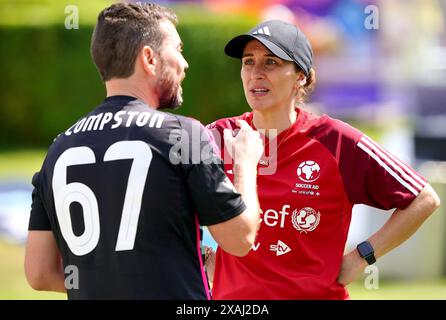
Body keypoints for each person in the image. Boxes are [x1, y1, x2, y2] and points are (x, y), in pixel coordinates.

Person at [24, 2, 263, 300]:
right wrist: (246, 164)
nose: (184, 63)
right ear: (149, 58)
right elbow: (240, 238)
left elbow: (39, 272)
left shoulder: (58, 148)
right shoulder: (184, 134)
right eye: (177, 48)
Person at [205, 20, 441, 299]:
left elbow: (423, 198)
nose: (256, 72)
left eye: (270, 62)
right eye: (248, 61)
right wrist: (200, 253)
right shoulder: (218, 136)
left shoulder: (336, 140)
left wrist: (361, 257)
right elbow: (165, 201)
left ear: (300, 76)